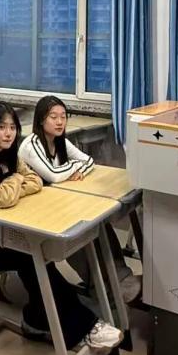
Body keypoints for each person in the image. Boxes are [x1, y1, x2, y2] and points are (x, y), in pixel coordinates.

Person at [0, 102, 122, 355]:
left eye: (12, 127)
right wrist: (14, 180)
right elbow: (1, 197)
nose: (8, 133)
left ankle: (40, 318)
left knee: (33, 252)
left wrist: (12, 186)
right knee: (28, 256)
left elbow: (35, 181)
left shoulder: (8, 152)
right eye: (1, 127)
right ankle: (84, 326)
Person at [19, 95, 138, 302]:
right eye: (53, 117)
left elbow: (89, 161)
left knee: (99, 224)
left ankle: (120, 276)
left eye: (63, 117)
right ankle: (102, 285)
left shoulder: (60, 141)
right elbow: (54, 175)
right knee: (79, 235)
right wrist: (73, 167)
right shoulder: (31, 145)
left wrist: (73, 169)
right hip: (33, 213)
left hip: (56, 203)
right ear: (41, 120)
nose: (59, 122)